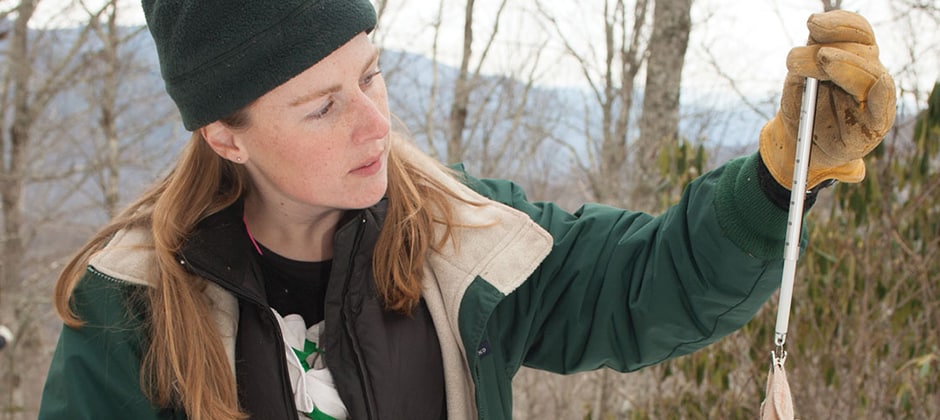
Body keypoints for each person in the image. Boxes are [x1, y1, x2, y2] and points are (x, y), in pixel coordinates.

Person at [37, 1, 895, 419]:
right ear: (227, 136)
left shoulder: (461, 238)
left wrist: (781, 176)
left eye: (370, 74)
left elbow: (647, 285)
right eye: (322, 106)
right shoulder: (132, 305)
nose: (376, 124)